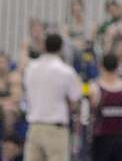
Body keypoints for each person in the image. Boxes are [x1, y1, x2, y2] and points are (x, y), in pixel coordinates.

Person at [23, 32, 82, 161]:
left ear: (44, 46)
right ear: (61, 48)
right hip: (55, 128)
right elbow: (75, 101)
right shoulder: (66, 71)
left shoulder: (31, 68)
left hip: (34, 126)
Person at [89, 52, 122, 161]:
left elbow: (87, 117)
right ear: (118, 67)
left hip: (101, 140)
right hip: (120, 140)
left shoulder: (94, 89)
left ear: (100, 66)